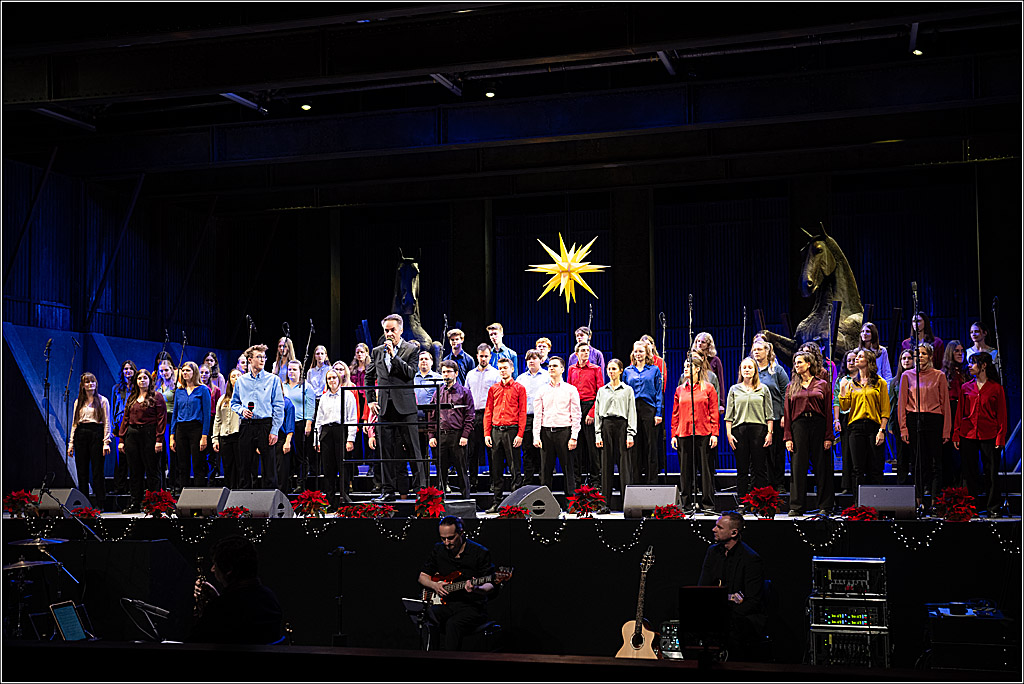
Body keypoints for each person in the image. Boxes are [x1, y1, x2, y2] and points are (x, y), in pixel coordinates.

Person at [418, 516, 497, 651]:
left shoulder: (479, 552)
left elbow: (491, 585)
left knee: (453, 624)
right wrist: (435, 586)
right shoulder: (439, 550)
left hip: (472, 607)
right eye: (443, 539)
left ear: (461, 533)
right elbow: (422, 577)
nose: (447, 543)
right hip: (447, 604)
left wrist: (477, 588)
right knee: (428, 616)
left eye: (451, 538)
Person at [367, 314, 423, 502]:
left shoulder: (411, 349)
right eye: (386, 330)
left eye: (392, 330)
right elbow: (369, 377)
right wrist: (370, 400)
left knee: (414, 451)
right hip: (384, 407)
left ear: (400, 330)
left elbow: (410, 373)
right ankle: (388, 490)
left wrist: (394, 356)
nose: (389, 334)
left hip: (406, 407)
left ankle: (421, 491)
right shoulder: (376, 351)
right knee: (386, 451)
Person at [697, 513, 767, 661]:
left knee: (732, 628)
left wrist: (725, 610)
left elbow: (753, 601)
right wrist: (728, 598)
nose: (713, 529)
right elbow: (703, 589)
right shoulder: (713, 552)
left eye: (719, 527)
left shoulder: (751, 559)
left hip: (742, 616)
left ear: (734, 533)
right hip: (716, 611)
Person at [188, 535, 283, 645]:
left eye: (215, 564)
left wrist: (210, 608)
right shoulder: (269, 598)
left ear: (229, 569)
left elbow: (193, 644)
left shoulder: (223, 609)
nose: (212, 569)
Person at [897, 342, 951, 511]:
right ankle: (918, 501)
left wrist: (946, 430)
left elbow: (946, 405)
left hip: (934, 420)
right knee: (918, 462)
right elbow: (901, 404)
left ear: (930, 356)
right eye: (917, 354)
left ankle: (935, 502)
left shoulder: (939, 375)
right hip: (914, 420)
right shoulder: (907, 375)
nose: (919, 357)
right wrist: (903, 428)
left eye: (923, 354)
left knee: (936, 463)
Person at [954, 352, 1007, 517]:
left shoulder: (996, 388)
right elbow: (959, 413)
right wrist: (956, 435)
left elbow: (1002, 415)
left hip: (989, 433)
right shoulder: (966, 387)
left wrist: (1000, 437)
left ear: (984, 365)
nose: (969, 366)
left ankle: (993, 508)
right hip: (968, 434)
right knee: (969, 474)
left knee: (991, 472)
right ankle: (971, 508)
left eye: (973, 363)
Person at [783, 351, 834, 516]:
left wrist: (828, 436)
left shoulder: (822, 384)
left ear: (809, 364)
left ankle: (825, 506)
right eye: (795, 363)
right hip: (799, 426)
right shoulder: (791, 386)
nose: (797, 365)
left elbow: (828, 411)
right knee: (798, 466)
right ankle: (797, 506)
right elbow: (788, 413)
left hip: (818, 425)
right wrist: (788, 437)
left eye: (800, 362)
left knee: (822, 466)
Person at [231, 344, 285, 490]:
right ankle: (244, 505)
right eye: (259, 357)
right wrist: (241, 410)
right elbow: (234, 402)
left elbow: (279, 406)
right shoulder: (241, 381)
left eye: (264, 357)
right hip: (246, 425)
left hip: (265, 425)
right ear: (250, 360)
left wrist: (274, 430)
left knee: (269, 467)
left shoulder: (272, 380)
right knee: (245, 466)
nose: (262, 360)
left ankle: (270, 503)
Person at [837, 349, 890, 496]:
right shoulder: (851, 383)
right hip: (855, 427)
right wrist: (842, 390)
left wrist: (882, 430)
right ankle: (858, 505)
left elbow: (885, 409)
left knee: (876, 467)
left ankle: (878, 503)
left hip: (874, 427)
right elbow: (845, 407)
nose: (856, 359)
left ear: (869, 360)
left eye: (860, 357)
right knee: (857, 468)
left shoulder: (880, 383)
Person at [672, 356, 720, 513]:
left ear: (698, 369)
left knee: (706, 471)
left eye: (689, 366)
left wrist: (714, 433)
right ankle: (686, 505)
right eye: (684, 366)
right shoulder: (680, 389)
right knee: (685, 472)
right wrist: (674, 434)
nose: (685, 369)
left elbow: (714, 412)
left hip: (704, 432)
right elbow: (675, 414)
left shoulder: (709, 388)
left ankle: (708, 505)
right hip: (684, 434)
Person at [725, 358, 774, 509]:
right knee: (742, 469)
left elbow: (769, 414)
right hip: (739, 431)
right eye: (744, 367)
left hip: (759, 430)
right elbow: (729, 415)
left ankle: (760, 502)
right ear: (740, 370)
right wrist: (728, 434)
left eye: (750, 367)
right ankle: (743, 502)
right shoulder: (734, 389)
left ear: (755, 370)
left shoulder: (763, 389)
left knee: (759, 468)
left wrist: (770, 433)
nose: (747, 370)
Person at [117, 368, 167, 512]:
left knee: (152, 471)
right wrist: (121, 439)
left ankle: (154, 504)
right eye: (139, 378)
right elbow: (125, 419)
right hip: (132, 435)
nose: (142, 380)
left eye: (145, 378)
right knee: (134, 471)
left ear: (149, 381)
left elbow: (161, 419)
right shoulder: (132, 397)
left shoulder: (157, 396)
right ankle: (135, 503)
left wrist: (159, 439)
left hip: (150, 434)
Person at [483, 357, 527, 513]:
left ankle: (516, 504)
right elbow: (488, 412)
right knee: (496, 469)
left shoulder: (519, 388)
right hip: (496, 431)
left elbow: (522, 412)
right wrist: (487, 433)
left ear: (512, 369)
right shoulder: (493, 389)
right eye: (500, 368)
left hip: (512, 430)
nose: (502, 371)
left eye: (505, 368)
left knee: (515, 469)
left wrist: (520, 434)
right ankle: (497, 502)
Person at [533, 357, 582, 496]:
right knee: (545, 471)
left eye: (555, 366)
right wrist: (536, 436)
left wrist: (574, 437)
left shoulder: (571, 389)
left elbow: (576, 415)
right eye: (549, 366)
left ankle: (571, 503)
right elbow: (538, 415)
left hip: (564, 433)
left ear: (562, 369)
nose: (551, 368)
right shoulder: (542, 390)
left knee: (568, 470)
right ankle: (545, 504)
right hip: (546, 432)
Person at [427, 360, 475, 498]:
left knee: (461, 469)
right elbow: (431, 415)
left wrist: (465, 435)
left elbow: (470, 416)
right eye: (443, 372)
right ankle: (441, 501)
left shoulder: (464, 392)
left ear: (456, 373)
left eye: (449, 372)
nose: (446, 375)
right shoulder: (438, 392)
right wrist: (431, 435)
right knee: (441, 470)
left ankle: (466, 499)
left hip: (458, 435)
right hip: (441, 436)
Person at [593, 359, 636, 511]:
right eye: (609, 369)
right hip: (606, 426)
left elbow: (631, 412)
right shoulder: (602, 390)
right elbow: (598, 414)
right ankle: (605, 504)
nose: (611, 371)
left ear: (620, 370)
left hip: (622, 426)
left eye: (614, 369)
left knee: (624, 466)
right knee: (606, 466)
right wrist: (598, 435)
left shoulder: (627, 390)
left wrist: (630, 434)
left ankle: (627, 504)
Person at [67, 373, 112, 508]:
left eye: (92, 382)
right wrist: (71, 444)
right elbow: (75, 423)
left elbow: (107, 422)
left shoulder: (102, 400)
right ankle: (84, 503)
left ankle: (100, 503)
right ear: (82, 385)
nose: (90, 384)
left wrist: (106, 442)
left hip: (96, 433)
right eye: (87, 382)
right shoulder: (78, 402)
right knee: (82, 471)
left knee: (98, 470)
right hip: (81, 434)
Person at [750, 339, 789, 494]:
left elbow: (787, 392)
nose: (757, 352)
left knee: (777, 453)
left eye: (760, 349)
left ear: (767, 351)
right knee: (760, 453)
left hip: (776, 416)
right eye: (754, 350)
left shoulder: (776, 370)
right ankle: (762, 484)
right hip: (757, 418)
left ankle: (778, 483)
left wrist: (785, 415)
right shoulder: (751, 370)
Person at [315, 368, 358, 505]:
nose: (331, 380)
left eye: (334, 378)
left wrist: (350, 439)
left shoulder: (347, 395)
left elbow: (352, 418)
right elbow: (319, 420)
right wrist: (317, 440)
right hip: (327, 432)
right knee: (328, 468)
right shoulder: (323, 398)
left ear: (339, 379)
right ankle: (329, 499)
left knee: (343, 466)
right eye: (329, 378)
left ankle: (344, 496)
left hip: (341, 431)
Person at [623, 341, 663, 485]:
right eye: (636, 351)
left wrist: (658, 413)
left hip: (649, 409)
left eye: (641, 351)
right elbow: (624, 392)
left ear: (647, 353)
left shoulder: (654, 370)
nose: (638, 354)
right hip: (632, 409)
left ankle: (652, 481)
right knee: (635, 446)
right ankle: (636, 480)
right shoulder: (628, 371)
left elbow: (659, 393)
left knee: (651, 446)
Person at [169, 361, 213, 492]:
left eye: (188, 370)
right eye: (183, 371)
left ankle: (199, 498)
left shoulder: (203, 390)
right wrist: (172, 436)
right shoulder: (179, 391)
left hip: (196, 429)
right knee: (182, 465)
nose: (184, 373)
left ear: (194, 373)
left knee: (198, 464)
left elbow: (207, 415)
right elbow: (175, 414)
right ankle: (184, 498)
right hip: (181, 429)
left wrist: (204, 436)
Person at [567, 341, 603, 487]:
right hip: (576, 407)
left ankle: (595, 480)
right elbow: (568, 389)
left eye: (587, 350)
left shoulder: (596, 369)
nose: (585, 353)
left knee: (592, 447)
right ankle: (576, 480)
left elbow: (600, 393)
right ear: (576, 354)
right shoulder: (571, 369)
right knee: (576, 446)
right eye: (582, 350)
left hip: (590, 406)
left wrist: (592, 412)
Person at [465, 343, 500, 492]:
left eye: (486, 356)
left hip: (489, 415)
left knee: (492, 450)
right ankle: (473, 482)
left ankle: (494, 483)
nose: (483, 359)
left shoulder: (496, 374)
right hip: (473, 414)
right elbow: (466, 395)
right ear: (477, 356)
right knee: (472, 451)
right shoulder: (470, 374)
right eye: (481, 356)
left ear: (490, 357)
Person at [515, 349, 548, 487]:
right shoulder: (521, 378)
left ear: (540, 360)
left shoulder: (547, 376)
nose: (531, 361)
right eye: (529, 359)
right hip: (527, 418)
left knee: (543, 451)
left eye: (534, 358)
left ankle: (544, 482)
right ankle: (528, 483)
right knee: (527, 451)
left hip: (544, 418)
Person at [282, 359, 315, 493]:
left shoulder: (306, 386)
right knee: (287, 455)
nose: (291, 372)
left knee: (300, 455)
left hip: (300, 423)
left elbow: (310, 406)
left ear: (300, 371)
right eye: (290, 369)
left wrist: (308, 423)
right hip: (285, 424)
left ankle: (301, 483)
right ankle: (287, 481)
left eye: (294, 369)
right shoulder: (283, 386)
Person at [415, 351, 443, 489]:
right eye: (421, 359)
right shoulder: (412, 378)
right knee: (419, 453)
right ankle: (421, 484)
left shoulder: (439, 378)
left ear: (432, 362)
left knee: (437, 454)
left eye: (426, 359)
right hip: (416, 421)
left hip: (433, 421)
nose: (423, 361)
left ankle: (440, 483)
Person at [942, 340, 968, 488]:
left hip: (964, 411)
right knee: (949, 453)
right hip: (950, 410)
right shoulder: (944, 373)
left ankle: (963, 486)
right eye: (956, 351)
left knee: (964, 453)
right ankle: (949, 487)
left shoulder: (966, 371)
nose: (960, 353)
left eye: (962, 351)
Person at [109, 360, 137, 497]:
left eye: (130, 369)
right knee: (120, 456)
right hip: (120, 423)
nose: (128, 371)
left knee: (133, 455)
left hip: (134, 422)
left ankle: (134, 487)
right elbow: (113, 407)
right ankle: (120, 486)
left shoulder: (137, 387)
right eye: (125, 369)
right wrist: (113, 426)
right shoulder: (117, 388)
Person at [888, 349, 916, 486]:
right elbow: (892, 404)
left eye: (909, 358)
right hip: (899, 419)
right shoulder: (895, 382)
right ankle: (902, 482)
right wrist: (890, 424)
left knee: (915, 452)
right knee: (901, 453)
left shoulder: (918, 380)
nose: (906, 361)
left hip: (914, 417)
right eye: (903, 358)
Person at [833, 351, 858, 495]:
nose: (851, 362)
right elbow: (836, 400)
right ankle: (847, 485)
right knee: (847, 452)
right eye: (849, 360)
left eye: (854, 360)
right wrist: (836, 419)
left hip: (860, 416)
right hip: (845, 416)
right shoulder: (841, 380)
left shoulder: (863, 379)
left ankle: (858, 485)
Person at [213, 369, 242, 489]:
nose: (236, 378)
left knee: (240, 467)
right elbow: (218, 420)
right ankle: (229, 493)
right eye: (233, 376)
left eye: (238, 376)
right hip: (225, 437)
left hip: (239, 436)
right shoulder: (223, 399)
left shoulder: (245, 398)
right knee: (227, 467)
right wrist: (215, 438)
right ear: (229, 380)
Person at [154, 358, 178, 489]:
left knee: (172, 452)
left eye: (166, 370)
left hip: (172, 419)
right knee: (160, 454)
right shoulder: (157, 385)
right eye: (161, 371)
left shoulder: (176, 386)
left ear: (171, 370)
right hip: (159, 420)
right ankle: (161, 485)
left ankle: (174, 484)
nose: (164, 373)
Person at [198, 363, 223, 483]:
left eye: (206, 372)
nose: (203, 375)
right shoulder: (195, 389)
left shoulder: (215, 390)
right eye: (201, 372)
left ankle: (213, 474)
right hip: (199, 421)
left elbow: (218, 408)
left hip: (212, 420)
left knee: (212, 450)